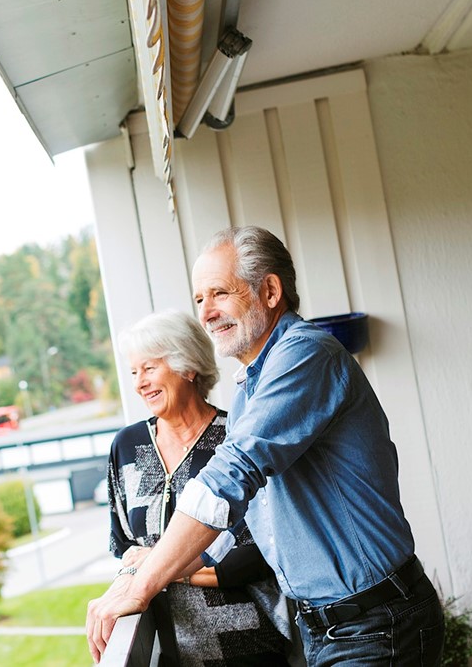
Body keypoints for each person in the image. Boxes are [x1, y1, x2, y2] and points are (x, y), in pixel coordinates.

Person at [87, 226, 444, 666]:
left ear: (270, 291)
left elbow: (229, 477)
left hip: (375, 626)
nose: (208, 312)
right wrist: (150, 563)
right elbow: (245, 528)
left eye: (220, 293)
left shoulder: (306, 356)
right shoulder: (251, 389)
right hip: (327, 627)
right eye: (199, 299)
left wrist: (140, 588)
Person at [104, 310, 292, 666]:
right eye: (133, 372)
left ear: (188, 367)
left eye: (149, 368)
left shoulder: (236, 437)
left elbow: (256, 554)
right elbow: (126, 546)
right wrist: (148, 568)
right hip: (170, 648)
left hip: (250, 645)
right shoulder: (126, 447)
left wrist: (157, 567)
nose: (139, 383)